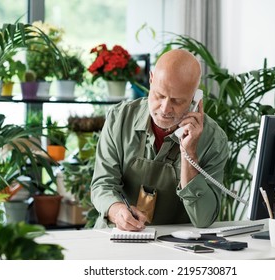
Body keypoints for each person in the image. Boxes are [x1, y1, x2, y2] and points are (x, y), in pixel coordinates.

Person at [91, 49, 229, 231]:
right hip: (116, 235)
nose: (165, 109)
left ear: (195, 98)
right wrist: (117, 211)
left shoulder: (214, 139)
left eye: (177, 101)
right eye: (159, 95)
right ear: (151, 79)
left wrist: (190, 155)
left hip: (174, 246)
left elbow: (203, 219)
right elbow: (102, 184)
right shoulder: (120, 118)